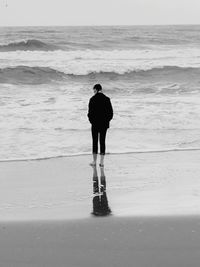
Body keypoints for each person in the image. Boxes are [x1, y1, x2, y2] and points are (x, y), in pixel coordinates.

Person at [88, 84, 113, 167]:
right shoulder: (107, 99)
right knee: (102, 141)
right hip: (104, 124)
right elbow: (111, 113)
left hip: (95, 124)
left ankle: (94, 161)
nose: (93, 92)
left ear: (95, 90)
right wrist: (106, 121)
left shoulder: (92, 99)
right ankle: (102, 162)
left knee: (95, 141)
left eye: (93, 90)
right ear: (101, 89)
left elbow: (89, 113)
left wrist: (92, 121)